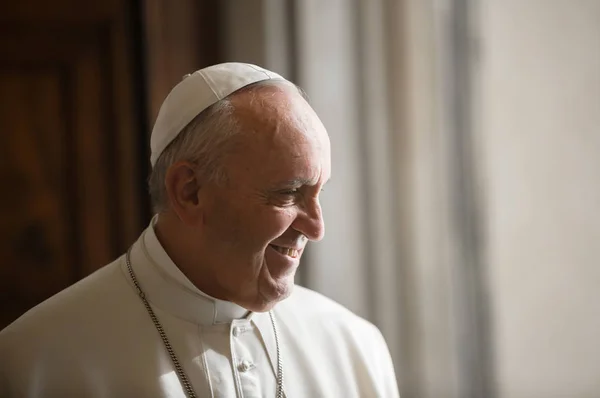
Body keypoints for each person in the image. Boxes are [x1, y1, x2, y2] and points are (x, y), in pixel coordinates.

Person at [0, 62, 399, 397]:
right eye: (289, 193)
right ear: (190, 191)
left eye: (319, 192)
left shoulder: (354, 347)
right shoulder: (35, 363)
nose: (316, 228)